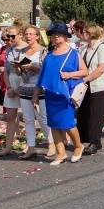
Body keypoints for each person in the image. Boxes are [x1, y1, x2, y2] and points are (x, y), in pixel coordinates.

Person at [32, 22, 87, 165]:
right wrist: (35, 95)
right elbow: (41, 77)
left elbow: (84, 72)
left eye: (60, 34)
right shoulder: (49, 56)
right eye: (53, 34)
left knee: (68, 124)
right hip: (51, 94)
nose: (56, 36)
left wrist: (69, 75)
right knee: (54, 124)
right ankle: (61, 153)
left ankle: (78, 146)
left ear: (65, 37)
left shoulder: (73, 54)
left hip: (65, 94)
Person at [13, 25, 51, 160]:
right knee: (28, 119)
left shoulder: (43, 51)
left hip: (39, 89)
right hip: (24, 88)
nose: (28, 36)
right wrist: (17, 66)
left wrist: (32, 66)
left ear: (37, 36)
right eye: (26, 34)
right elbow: (19, 73)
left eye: (31, 34)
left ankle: (51, 143)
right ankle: (31, 147)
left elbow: (46, 71)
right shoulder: (21, 52)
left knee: (43, 118)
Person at [78, 25, 104, 155]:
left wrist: (85, 79)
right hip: (86, 86)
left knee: (96, 114)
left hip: (99, 86)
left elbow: (101, 68)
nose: (82, 34)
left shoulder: (101, 48)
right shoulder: (84, 48)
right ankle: (85, 138)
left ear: (91, 33)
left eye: (84, 32)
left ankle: (94, 142)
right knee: (84, 113)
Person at [0, 26, 25, 156]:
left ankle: (32, 144)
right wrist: (8, 87)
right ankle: (8, 146)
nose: (10, 39)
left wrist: (20, 88)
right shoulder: (8, 50)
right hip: (11, 81)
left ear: (20, 35)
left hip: (25, 81)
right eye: (8, 37)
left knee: (30, 116)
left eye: (12, 36)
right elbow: (6, 71)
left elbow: (27, 71)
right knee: (11, 116)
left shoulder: (26, 49)